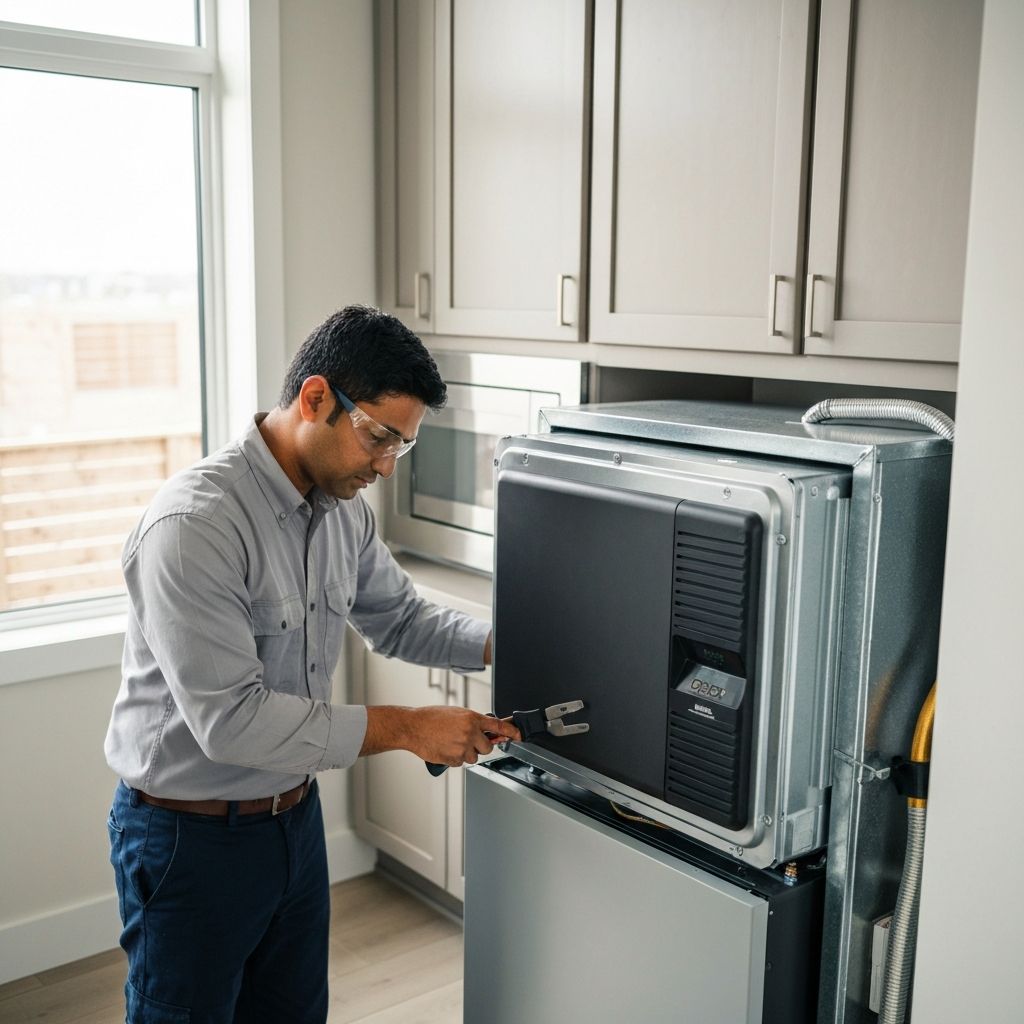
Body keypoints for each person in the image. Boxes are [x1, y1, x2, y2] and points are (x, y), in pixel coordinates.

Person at [103, 304, 519, 1024]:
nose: (387, 466)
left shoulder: (343, 509)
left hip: (293, 824)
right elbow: (232, 724)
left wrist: (525, 641)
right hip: (186, 840)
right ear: (316, 398)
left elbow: (402, 619)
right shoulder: (195, 525)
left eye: (404, 447)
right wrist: (408, 728)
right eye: (380, 437)